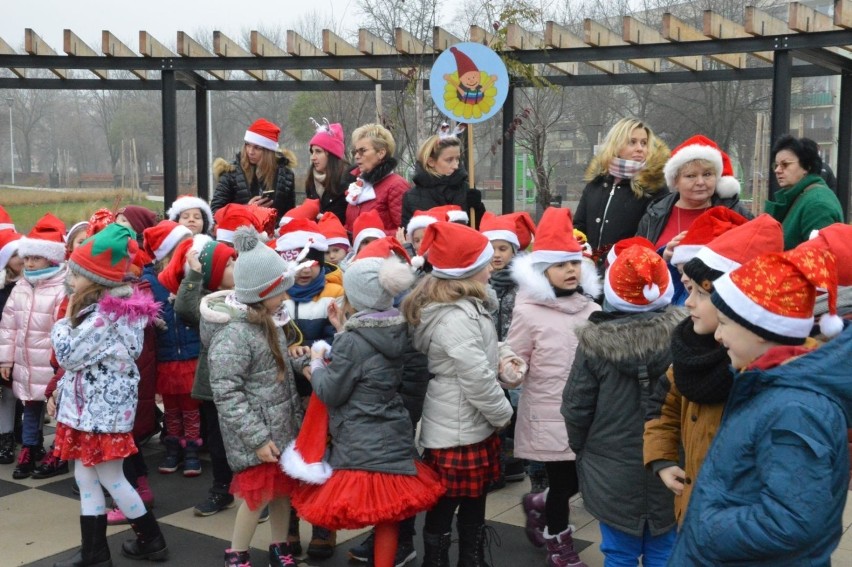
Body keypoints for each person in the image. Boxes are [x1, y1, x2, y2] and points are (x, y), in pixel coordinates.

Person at [668, 246, 849, 565]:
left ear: (761, 331)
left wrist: (705, 528)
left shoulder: (795, 409)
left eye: (724, 323)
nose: (719, 336)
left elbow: (791, 521)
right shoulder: (765, 385)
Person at [286, 238, 445, 567]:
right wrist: (344, 330)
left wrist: (312, 363)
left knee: (365, 507)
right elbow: (370, 352)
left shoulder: (352, 343)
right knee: (388, 512)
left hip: (360, 438)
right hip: (393, 433)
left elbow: (331, 391)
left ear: (354, 298)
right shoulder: (400, 328)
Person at [643, 213, 784, 526]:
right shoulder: (689, 347)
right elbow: (661, 409)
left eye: (701, 293)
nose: (689, 303)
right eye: (689, 290)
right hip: (693, 511)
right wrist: (662, 459)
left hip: (737, 528)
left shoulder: (759, 370)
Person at [49, 223, 168, 566]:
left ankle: (150, 539)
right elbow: (78, 368)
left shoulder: (105, 316)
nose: (70, 275)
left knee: (111, 478)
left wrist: (61, 321)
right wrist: (59, 389)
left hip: (102, 414)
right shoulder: (102, 311)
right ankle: (96, 552)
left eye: (77, 271)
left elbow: (69, 355)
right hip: (91, 411)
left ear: (95, 278)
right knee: (88, 477)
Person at [402, 221, 515, 567]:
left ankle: (472, 556)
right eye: (485, 262)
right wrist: (503, 414)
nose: (492, 265)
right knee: (446, 501)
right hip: (458, 423)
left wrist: (504, 355)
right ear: (467, 271)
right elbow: (476, 376)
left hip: (466, 420)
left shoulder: (466, 306)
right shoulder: (456, 317)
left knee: (474, 498)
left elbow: (479, 355)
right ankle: (436, 560)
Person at [562, 243, 682, 567]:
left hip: (609, 467)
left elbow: (576, 407)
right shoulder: (685, 340)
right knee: (666, 550)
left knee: (618, 552)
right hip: (671, 462)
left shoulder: (593, 345)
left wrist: (583, 449)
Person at [203, 226, 304, 567]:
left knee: (281, 494)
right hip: (256, 435)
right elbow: (227, 393)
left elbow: (274, 372)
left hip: (280, 428)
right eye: (280, 292)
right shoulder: (234, 335)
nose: (285, 298)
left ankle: (279, 546)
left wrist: (298, 358)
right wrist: (258, 437)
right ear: (260, 293)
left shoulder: (269, 323)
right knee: (255, 497)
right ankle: (237, 552)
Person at [505, 208, 601, 567]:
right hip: (547, 411)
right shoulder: (527, 311)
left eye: (575, 263)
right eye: (561, 265)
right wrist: (511, 370)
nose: (571, 270)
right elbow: (514, 355)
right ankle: (558, 542)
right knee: (563, 484)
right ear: (543, 270)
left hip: (586, 412)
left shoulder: (592, 309)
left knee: (578, 480)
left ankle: (539, 503)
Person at [637, 135, 752, 305]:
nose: (700, 182)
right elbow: (637, 261)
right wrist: (662, 258)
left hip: (719, 309)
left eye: (707, 174)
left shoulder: (735, 212)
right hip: (662, 311)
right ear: (675, 181)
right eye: (690, 176)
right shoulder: (655, 214)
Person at [0, 213, 68, 479]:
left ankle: (60, 452)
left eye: (34, 257)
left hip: (50, 364)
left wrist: (59, 361)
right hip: (26, 362)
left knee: (58, 408)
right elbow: (8, 326)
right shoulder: (21, 287)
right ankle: (30, 447)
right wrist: (6, 360)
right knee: (31, 408)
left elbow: (62, 327)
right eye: (26, 257)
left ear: (51, 258)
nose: (28, 262)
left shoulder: (61, 287)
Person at [574, 118, 670, 270]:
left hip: (627, 276)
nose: (640, 148)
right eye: (632, 142)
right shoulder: (596, 183)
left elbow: (650, 239)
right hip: (587, 274)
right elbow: (578, 228)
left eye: (644, 143)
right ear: (616, 146)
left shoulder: (655, 188)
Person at [765, 134, 844, 249]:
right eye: (776, 165)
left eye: (785, 164)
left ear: (807, 167)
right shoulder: (803, 196)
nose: (777, 170)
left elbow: (818, 260)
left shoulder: (817, 204)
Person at [211, 118, 297, 222]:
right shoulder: (231, 172)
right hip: (239, 233)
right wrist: (247, 209)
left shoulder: (286, 175)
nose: (250, 152)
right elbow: (215, 211)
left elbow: (289, 215)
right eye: (247, 145)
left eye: (257, 148)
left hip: (274, 234)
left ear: (268, 151)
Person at [345, 123, 409, 235]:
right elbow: (351, 226)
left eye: (362, 151)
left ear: (381, 153)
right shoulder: (359, 184)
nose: (356, 156)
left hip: (384, 251)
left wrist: (370, 237)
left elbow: (404, 232)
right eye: (355, 151)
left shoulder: (396, 185)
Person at [401, 132, 468, 232]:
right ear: (431, 162)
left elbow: (478, 230)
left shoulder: (466, 189)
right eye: (449, 160)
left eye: (457, 159)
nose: (456, 165)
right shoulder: (411, 197)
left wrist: (478, 208)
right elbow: (409, 237)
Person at [0, 228, 22, 465]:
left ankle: (16, 436)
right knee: (6, 394)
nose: (22, 260)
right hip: (4, 345)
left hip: (20, 347)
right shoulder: (3, 287)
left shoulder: (27, 285)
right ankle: (5, 436)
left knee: (16, 394)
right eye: (16, 254)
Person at [305, 120, 353, 223]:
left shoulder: (349, 182)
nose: (313, 157)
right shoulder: (311, 181)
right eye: (312, 152)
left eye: (318, 151)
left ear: (331, 155)